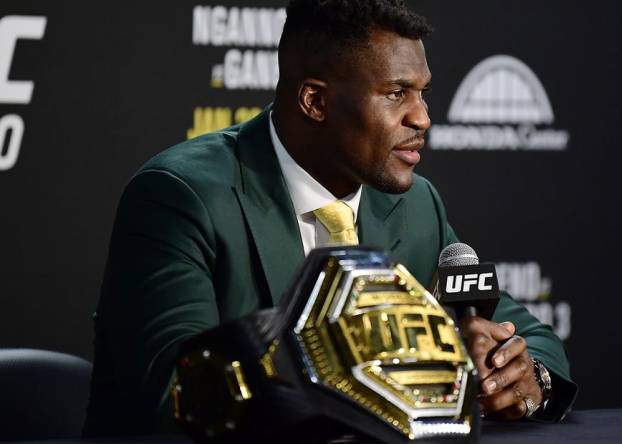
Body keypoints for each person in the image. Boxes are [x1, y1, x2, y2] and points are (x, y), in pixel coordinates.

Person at [83, 0, 577, 437]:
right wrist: (381, 372)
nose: (422, 117)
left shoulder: (417, 203)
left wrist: (520, 374)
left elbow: (528, 336)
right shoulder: (182, 196)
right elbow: (179, 400)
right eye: (396, 93)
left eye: (423, 92)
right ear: (315, 101)